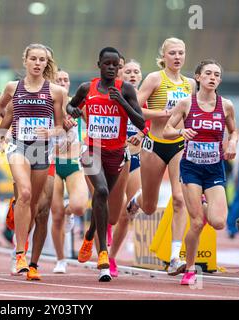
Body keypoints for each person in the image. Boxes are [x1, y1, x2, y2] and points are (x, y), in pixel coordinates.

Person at [0, 43, 66, 280]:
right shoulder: (13, 87)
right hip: (18, 146)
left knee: (35, 204)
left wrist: (51, 133)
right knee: (25, 193)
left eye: (42, 60)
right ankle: (20, 253)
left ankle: (25, 253)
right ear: (25, 61)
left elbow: (60, 127)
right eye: (34, 59)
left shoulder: (56, 91)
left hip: (42, 150)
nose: (38, 63)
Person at [67, 47, 145, 282]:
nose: (111, 68)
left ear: (119, 67)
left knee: (105, 198)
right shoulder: (86, 88)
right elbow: (70, 106)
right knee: (100, 191)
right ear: (98, 64)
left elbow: (141, 121)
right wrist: (75, 111)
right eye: (107, 63)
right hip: (92, 150)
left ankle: (90, 233)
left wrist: (122, 101)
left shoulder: (126, 89)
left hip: (116, 154)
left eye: (115, 64)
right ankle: (103, 255)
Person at [163, 59, 238, 285]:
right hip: (191, 168)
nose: (212, 77)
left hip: (214, 168)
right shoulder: (187, 103)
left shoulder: (226, 105)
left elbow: (234, 132)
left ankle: (203, 203)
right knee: (196, 222)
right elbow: (167, 130)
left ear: (220, 80)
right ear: (198, 77)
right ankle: (190, 268)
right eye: (208, 73)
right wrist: (180, 133)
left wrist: (232, 143)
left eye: (216, 74)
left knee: (218, 222)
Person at [126, 37, 196, 275]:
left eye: (181, 53)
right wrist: (164, 113)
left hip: (178, 144)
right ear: (164, 56)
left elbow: (195, 114)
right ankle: (137, 200)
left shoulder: (190, 84)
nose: (177, 57)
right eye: (172, 53)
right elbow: (136, 109)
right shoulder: (155, 78)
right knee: (148, 207)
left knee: (179, 198)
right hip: (153, 145)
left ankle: (175, 258)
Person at [108, 59, 146, 277]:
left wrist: (142, 133)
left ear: (141, 76)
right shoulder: (113, 96)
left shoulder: (147, 98)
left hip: (137, 158)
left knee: (129, 211)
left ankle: (112, 256)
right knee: (111, 205)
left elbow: (153, 125)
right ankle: (104, 229)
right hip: (113, 156)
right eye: (128, 71)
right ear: (120, 74)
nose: (132, 74)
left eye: (136, 71)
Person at [51, 68, 88, 274]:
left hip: (74, 162)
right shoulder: (48, 104)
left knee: (80, 207)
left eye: (66, 79)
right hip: (52, 161)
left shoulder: (77, 104)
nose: (63, 82)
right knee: (55, 215)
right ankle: (61, 259)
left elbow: (91, 124)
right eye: (59, 79)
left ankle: (69, 211)